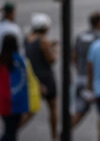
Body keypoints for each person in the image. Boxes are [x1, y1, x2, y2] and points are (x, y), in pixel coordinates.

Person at [0, 1, 24, 135]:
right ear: (10, 13)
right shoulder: (13, 29)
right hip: (8, 74)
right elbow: (20, 54)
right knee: (6, 107)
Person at [0, 34, 38, 141]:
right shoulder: (20, 61)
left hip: (2, 101)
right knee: (12, 132)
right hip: (17, 102)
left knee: (9, 130)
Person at [25, 13, 59, 141]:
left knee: (31, 109)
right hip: (46, 77)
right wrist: (55, 50)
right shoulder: (43, 40)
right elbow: (51, 59)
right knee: (53, 107)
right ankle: (54, 136)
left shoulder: (27, 38)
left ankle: (13, 131)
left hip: (33, 77)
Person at [72, 12, 100, 127]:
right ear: (99, 22)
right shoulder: (99, 38)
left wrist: (79, 70)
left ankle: (64, 134)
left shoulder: (80, 36)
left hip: (80, 77)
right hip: (94, 80)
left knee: (79, 111)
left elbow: (74, 56)